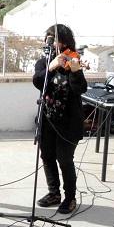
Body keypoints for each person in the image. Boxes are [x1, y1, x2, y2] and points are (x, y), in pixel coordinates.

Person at [33, 24, 87, 214]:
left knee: (65, 159)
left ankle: (70, 198)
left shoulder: (73, 61)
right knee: (47, 156)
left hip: (69, 122)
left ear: (64, 42)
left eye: (54, 39)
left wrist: (75, 71)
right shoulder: (44, 63)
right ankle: (53, 193)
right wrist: (51, 67)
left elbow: (79, 89)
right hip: (48, 119)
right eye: (48, 39)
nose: (50, 42)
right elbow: (38, 81)